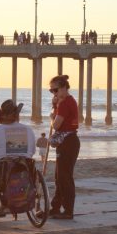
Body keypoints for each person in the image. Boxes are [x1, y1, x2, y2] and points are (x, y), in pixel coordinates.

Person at [49, 75, 80, 220]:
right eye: (51, 91)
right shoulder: (68, 101)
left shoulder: (66, 103)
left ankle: (68, 210)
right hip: (69, 141)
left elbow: (56, 125)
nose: (54, 93)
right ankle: (55, 207)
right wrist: (55, 107)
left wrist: (54, 109)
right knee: (59, 176)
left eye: (55, 90)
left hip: (68, 142)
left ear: (63, 88)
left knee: (64, 177)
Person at [0, 100, 35, 166]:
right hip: (24, 169)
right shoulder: (28, 130)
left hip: (0, 171)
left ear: (1, 114)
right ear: (17, 114)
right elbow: (32, 152)